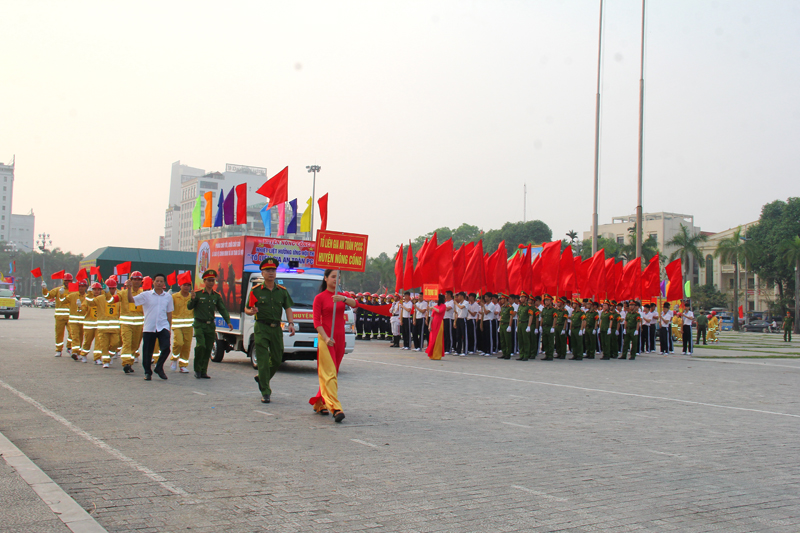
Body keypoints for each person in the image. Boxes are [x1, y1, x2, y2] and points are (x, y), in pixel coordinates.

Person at [245, 258, 296, 403]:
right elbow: (247, 308)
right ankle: (266, 391)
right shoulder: (255, 291)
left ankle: (262, 377)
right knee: (262, 360)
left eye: (273, 270)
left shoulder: (282, 291)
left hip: (276, 328)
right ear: (262, 272)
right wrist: (251, 311)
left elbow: (288, 308)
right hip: (261, 327)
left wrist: (291, 323)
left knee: (277, 357)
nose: (271, 273)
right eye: (268, 270)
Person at [310, 269, 357, 422]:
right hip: (325, 338)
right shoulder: (320, 298)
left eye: (338, 277)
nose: (335, 280)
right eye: (333, 277)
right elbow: (317, 321)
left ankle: (321, 402)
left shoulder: (342, 296)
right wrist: (325, 337)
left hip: (339, 338)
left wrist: (342, 299)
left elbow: (355, 304)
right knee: (329, 374)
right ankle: (335, 408)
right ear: (325, 278)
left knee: (332, 373)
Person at [125, 273, 174, 381]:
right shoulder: (146, 295)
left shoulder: (168, 297)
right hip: (149, 326)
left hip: (163, 326)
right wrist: (129, 289)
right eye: (157, 281)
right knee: (147, 351)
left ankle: (159, 367)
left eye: (161, 281)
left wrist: (169, 328)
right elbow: (131, 300)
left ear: (164, 283)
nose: (159, 283)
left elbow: (169, 313)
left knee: (166, 348)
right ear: (153, 282)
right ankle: (147, 372)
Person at [188, 269, 233, 379]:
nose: (211, 283)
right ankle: (197, 369)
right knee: (201, 346)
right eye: (209, 280)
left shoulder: (216, 296)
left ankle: (204, 370)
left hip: (210, 325)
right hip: (199, 324)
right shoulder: (198, 294)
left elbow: (222, 309)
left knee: (208, 348)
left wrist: (228, 321)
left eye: (213, 280)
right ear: (204, 281)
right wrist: (193, 299)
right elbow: (190, 307)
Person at [42, 273, 75, 357]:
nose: (67, 282)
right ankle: (58, 350)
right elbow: (48, 296)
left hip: (71, 316)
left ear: (72, 281)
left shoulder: (75, 290)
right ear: (63, 281)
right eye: (66, 280)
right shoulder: (58, 290)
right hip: (59, 316)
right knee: (59, 334)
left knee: (73, 333)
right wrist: (44, 288)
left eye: (69, 280)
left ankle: (69, 348)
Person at [118, 271, 145, 373]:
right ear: (130, 280)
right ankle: (126, 363)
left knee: (135, 345)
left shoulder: (143, 294)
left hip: (138, 325)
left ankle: (130, 362)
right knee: (127, 343)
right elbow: (113, 299)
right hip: (126, 324)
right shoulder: (123, 293)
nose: (136, 281)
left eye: (138, 279)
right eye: (134, 279)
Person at [170, 279, 194, 373]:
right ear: (180, 285)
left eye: (188, 285)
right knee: (179, 343)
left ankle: (183, 365)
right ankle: (174, 359)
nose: (186, 287)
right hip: (177, 325)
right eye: (184, 285)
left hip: (188, 326)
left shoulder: (192, 297)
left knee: (187, 345)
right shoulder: (174, 297)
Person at [426, 294, 447, 361]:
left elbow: (440, 311)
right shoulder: (435, 306)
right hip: (434, 323)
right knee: (432, 339)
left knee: (438, 339)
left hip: (440, 323)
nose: (435, 300)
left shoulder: (443, 306)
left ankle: (437, 355)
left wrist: (433, 308)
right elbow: (432, 316)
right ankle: (432, 354)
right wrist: (429, 324)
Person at [540, 295, 556, 361]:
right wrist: (541, 326)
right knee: (545, 342)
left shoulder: (553, 310)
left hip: (550, 327)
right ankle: (546, 354)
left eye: (548, 300)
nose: (546, 302)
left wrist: (553, 327)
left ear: (551, 301)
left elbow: (555, 318)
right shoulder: (544, 309)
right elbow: (542, 318)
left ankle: (550, 355)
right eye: (545, 300)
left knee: (550, 342)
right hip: (545, 327)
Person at [454, 292, 468, 356]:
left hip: (463, 319)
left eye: (459, 296)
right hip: (459, 319)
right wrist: (455, 322)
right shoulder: (458, 303)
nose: (458, 298)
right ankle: (458, 350)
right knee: (458, 335)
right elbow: (457, 313)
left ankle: (465, 351)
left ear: (462, 296)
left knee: (464, 335)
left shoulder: (466, 303)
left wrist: (456, 303)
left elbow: (461, 307)